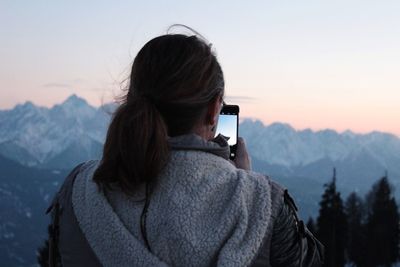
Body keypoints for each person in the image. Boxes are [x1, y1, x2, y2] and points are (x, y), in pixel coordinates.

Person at [42, 29, 324, 267]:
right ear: (215, 109)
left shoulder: (79, 191)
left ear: (131, 99)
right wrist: (246, 183)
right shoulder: (263, 205)